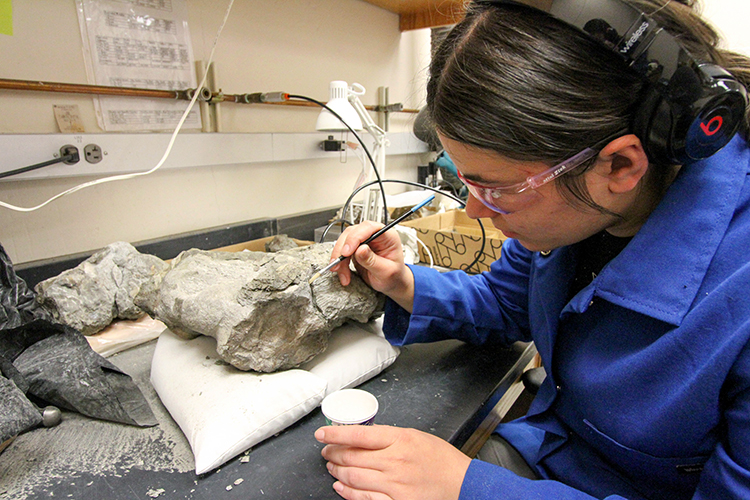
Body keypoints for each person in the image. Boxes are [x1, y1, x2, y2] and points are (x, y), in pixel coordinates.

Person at [314, 0, 750, 499]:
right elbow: (507, 302)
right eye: (466, 182)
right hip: (551, 453)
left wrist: (472, 488)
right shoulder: (576, 218)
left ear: (620, 167)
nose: (476, 212)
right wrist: (402, 281)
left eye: (495, 189)